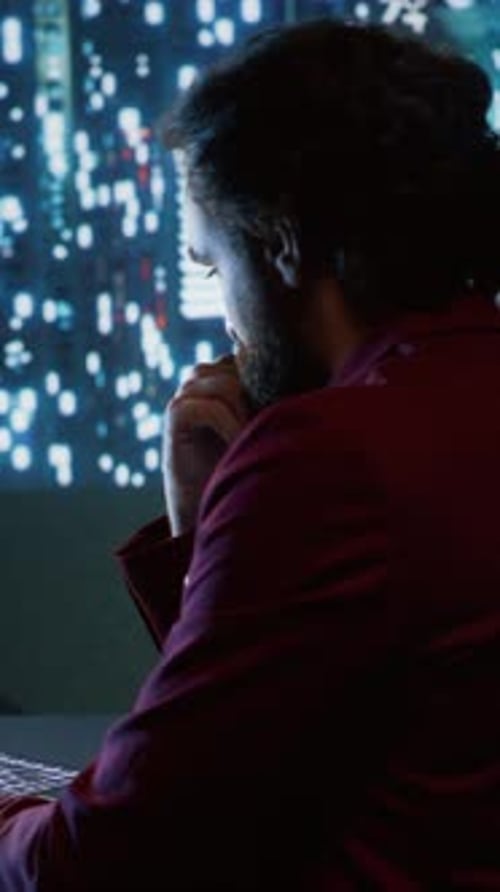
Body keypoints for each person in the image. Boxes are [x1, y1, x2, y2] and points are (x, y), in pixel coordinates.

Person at [2, 17, 500, 891]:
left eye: (211, 261)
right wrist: (207, 530)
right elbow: (264, 739)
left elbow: (109, 861)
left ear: (277, 240)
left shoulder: (331, 458)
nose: (223, 315)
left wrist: (10, 822)